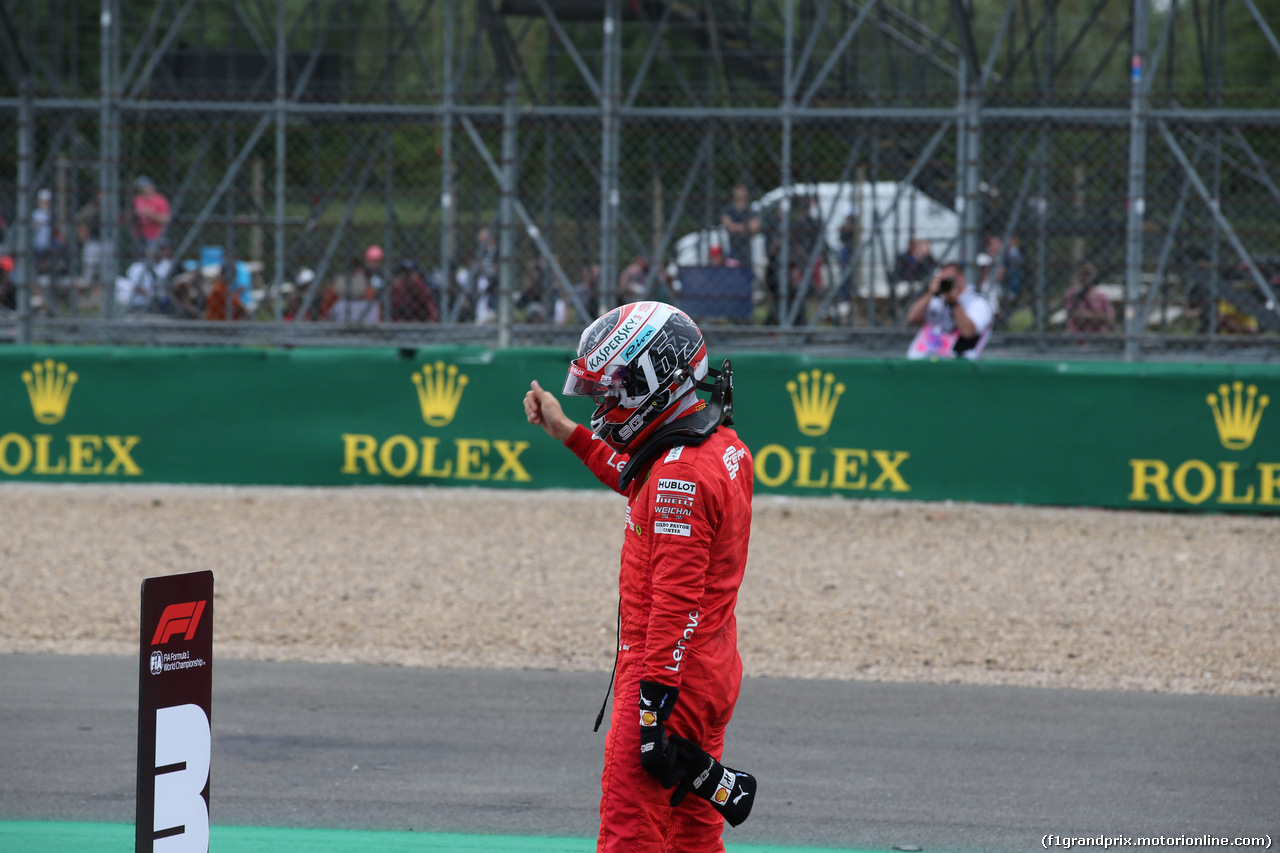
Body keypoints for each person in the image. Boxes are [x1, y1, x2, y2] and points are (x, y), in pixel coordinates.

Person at [523, 302, 757, 851]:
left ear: (650, 380)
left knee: (630, 827)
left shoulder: (680, 472)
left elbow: (676, 603)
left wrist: (651, 708)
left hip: (667, 671)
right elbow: (638, 482)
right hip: (711, 668)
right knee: (692, 832)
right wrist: (566, 430)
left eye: (610, 391)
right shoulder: (717, 445)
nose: (604, 404)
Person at [906, 261, 994, 360]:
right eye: (942, 280)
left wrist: (954, 303)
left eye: (949, 279)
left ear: (961, 277)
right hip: (922, 359)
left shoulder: (977, 303)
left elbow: (968, 332)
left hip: (956, 365)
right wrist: (930, 293)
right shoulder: (937, 300)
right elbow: (912, 317)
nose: (946, 283)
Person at [1063, 262, 1115, 334]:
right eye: (1083, 273)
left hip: (1098, 337)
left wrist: (1086, 315)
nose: (1086, 277)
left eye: (1089, 274)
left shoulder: (1102, 296)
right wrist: (1098, 316)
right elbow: (1076, 317)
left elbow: (1110, 319)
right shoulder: (1073, 293)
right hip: (1077, 337)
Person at [719, 184, 759, 267]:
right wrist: (746, 227)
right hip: (732, 249)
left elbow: (755, 227)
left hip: (747, 250)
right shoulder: (729, 209)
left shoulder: (750, 210)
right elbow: (729, 226)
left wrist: (736, 227)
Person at [132, 177, 171, 254]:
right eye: (141, 187)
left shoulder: (160, 200)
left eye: (145, 186)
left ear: (151, 186)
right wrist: (134, 214)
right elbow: (130, 217)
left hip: (155, 237)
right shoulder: (137, 200)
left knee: (151, 259)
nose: (143, 189)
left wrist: (151, 214)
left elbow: (166, 219)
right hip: (139, 237)